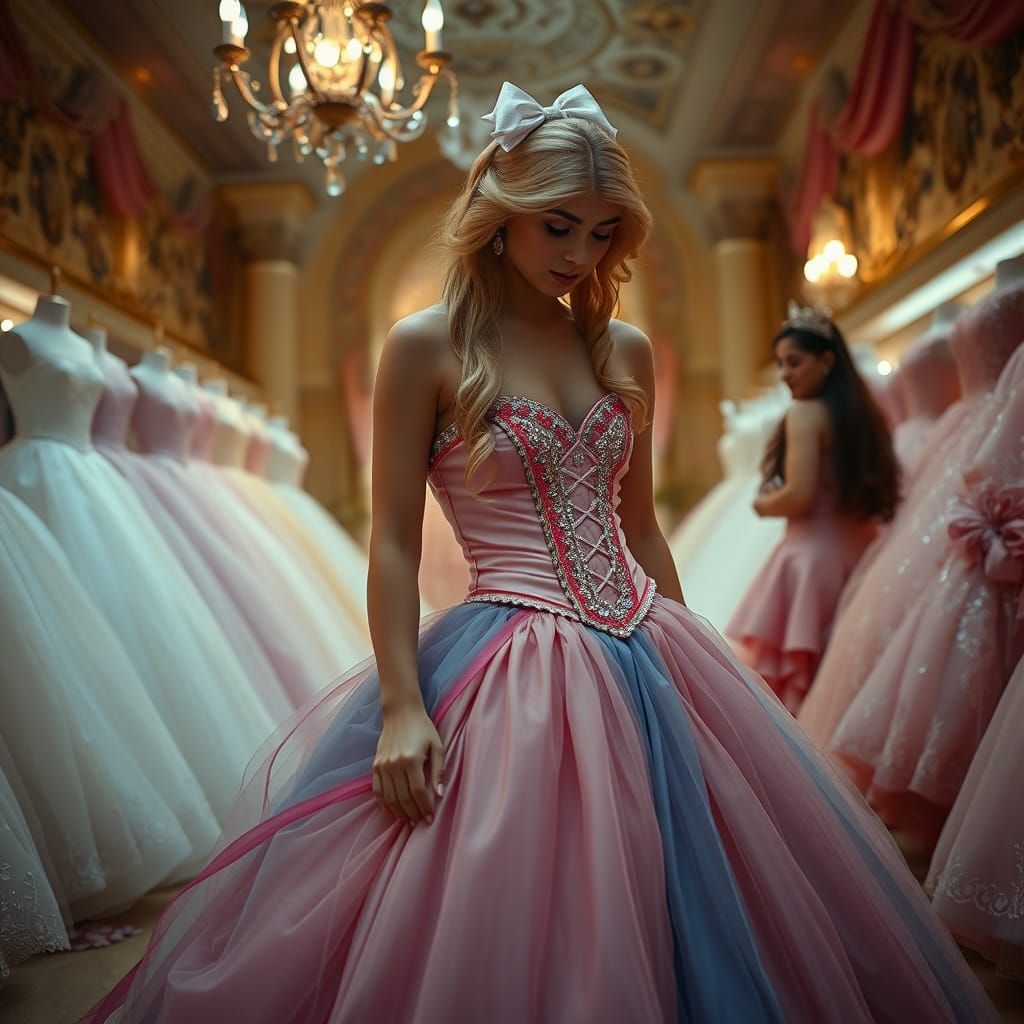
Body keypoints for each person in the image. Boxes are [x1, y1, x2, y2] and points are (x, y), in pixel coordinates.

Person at [84, 82, 995, 1024]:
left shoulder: (623, 349)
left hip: (649, 640)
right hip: (506, 659)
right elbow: (394, 539)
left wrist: (696, 657)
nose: (580, 255)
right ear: (500, 215)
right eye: (559, 226)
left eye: (603, 233)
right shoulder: (425, 346)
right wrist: (402, 703)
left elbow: (638, 527)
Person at [726, 310, 900, 713]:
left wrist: (762, 502)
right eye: (781, 364)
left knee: (802, 695)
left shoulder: (805, 413)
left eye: (794, 362)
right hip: (862, 552)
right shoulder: (862, 416)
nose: (785, 374)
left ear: (826, 360)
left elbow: (799, 495)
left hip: (811, 563)